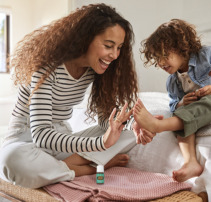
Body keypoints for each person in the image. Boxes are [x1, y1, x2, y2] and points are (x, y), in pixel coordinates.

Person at [0, 3, 155, 189]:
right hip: (26, 141)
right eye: (108, 46)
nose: (114, 55)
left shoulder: (96, 70)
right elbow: (41, 136)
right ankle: (87, 168)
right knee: (13, 161)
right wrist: (100, 144)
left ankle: (61, 168)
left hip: (61, 142)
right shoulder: (47, 67)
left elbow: (106, 121)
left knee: (129, 132)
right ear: (85, 39)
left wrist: (129, 124)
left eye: (119, 47)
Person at [134, 19, 211, 182]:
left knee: (207, 103)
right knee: (182, 113)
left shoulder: (208, 55)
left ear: (181, 47)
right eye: (156, 58)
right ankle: (190, 162)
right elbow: (174, 103)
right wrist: (182, 103)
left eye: (164, 55)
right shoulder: (173, 81)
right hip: (200, 108)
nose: (161, 63)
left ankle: (158, 126)